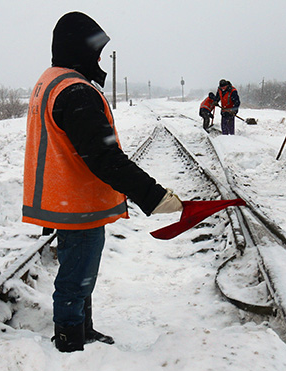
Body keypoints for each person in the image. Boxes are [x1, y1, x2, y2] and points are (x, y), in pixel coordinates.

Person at [22, 11, 183, 353]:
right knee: (76, 278)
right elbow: (104, 157)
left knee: (80, 273)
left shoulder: (50, 81)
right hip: (77, 202)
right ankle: (70, 341)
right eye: (95, 52)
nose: (99, 60)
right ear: (79, 50)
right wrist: (153, 196)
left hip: (64, 197)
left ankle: (82, 329)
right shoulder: (76, 92)